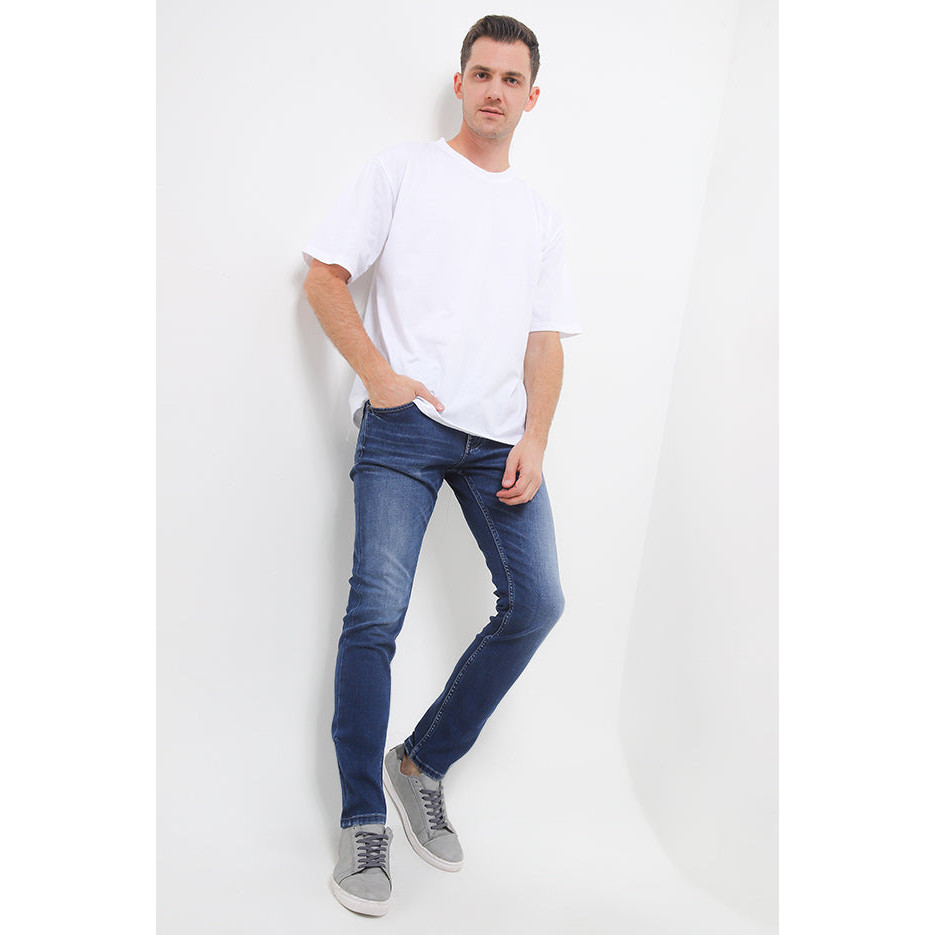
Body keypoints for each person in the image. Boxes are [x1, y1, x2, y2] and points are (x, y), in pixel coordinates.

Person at [301, 14, 581, 916]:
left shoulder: (537, 216)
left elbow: (544, 341)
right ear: (459, 82)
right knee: (375, 613)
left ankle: (420, 762)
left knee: (537, 602)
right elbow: (323, 276)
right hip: (405, 428)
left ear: (531, 97)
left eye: (511, 79)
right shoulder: (400, 172)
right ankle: (361, 820)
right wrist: (379, 377)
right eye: (482, 73)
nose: (495, 90)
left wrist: (536, 436)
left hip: (497, 440)